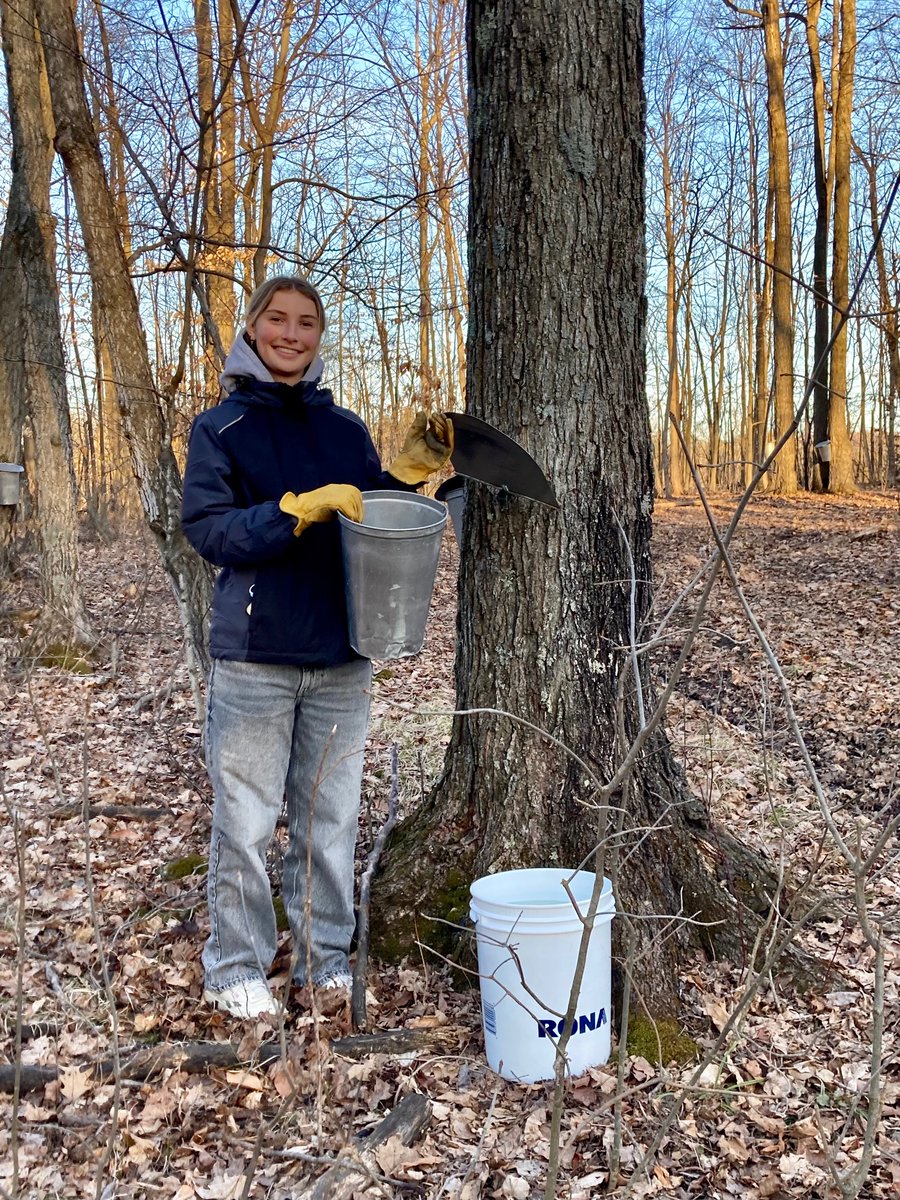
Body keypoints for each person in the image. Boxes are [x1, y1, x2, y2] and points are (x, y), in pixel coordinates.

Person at [182, 275, 453, 1019]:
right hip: (256, 657)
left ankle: (323, 961)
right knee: (244, 821)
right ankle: (234, 967)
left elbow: (368, 516)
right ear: (254, 329)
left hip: (340, 656)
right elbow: (208, 529)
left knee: (328, 822)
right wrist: (291, 512)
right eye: (278, 320)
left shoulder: (345, 430)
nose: (291, 334)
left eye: (306, 323)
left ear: (319, 336)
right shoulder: (221, 428)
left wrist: (402, 474)